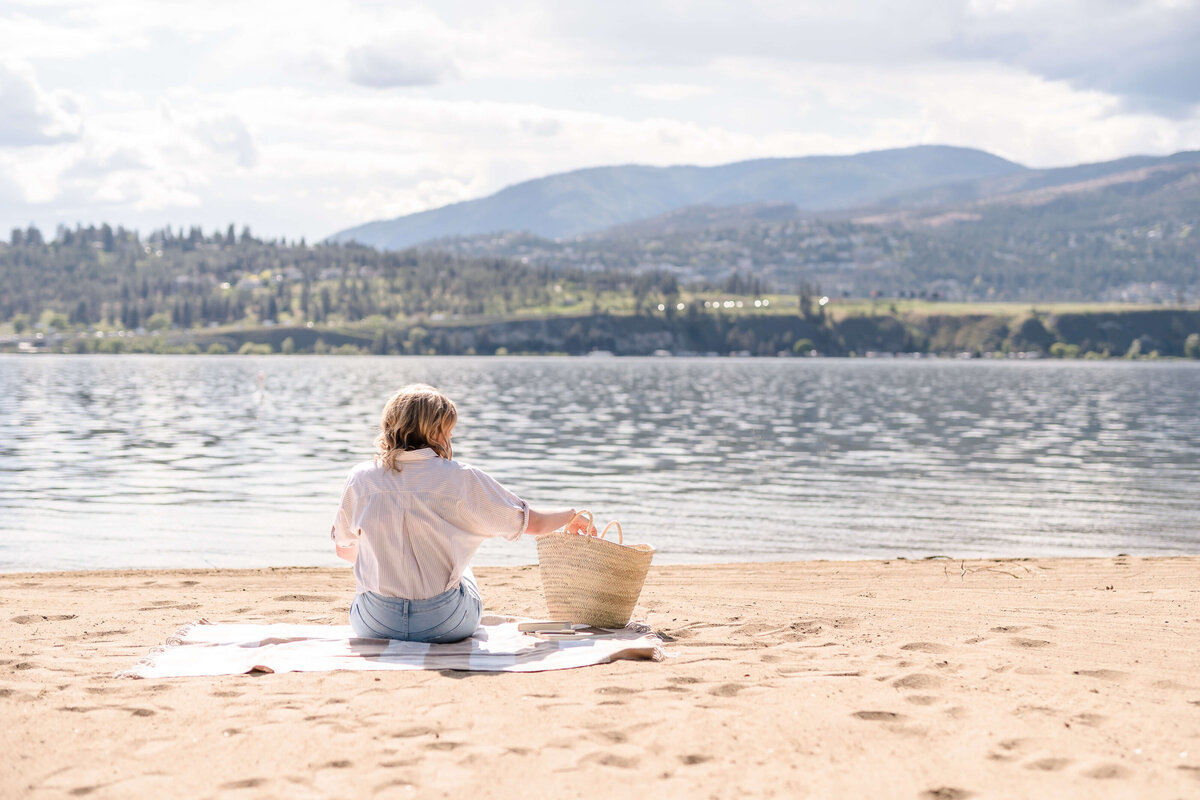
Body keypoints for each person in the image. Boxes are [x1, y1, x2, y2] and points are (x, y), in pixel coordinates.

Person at [330, 383, 590, 643]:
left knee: (371, 556)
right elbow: (533, 523)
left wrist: (388, 567)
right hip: (443, 621)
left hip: (375, 622)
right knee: (462, 569)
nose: (451, 438)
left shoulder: (360, 478)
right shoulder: (462, 478)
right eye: (448, 430)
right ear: (435, 432)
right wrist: (570, 514)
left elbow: (343, 548)